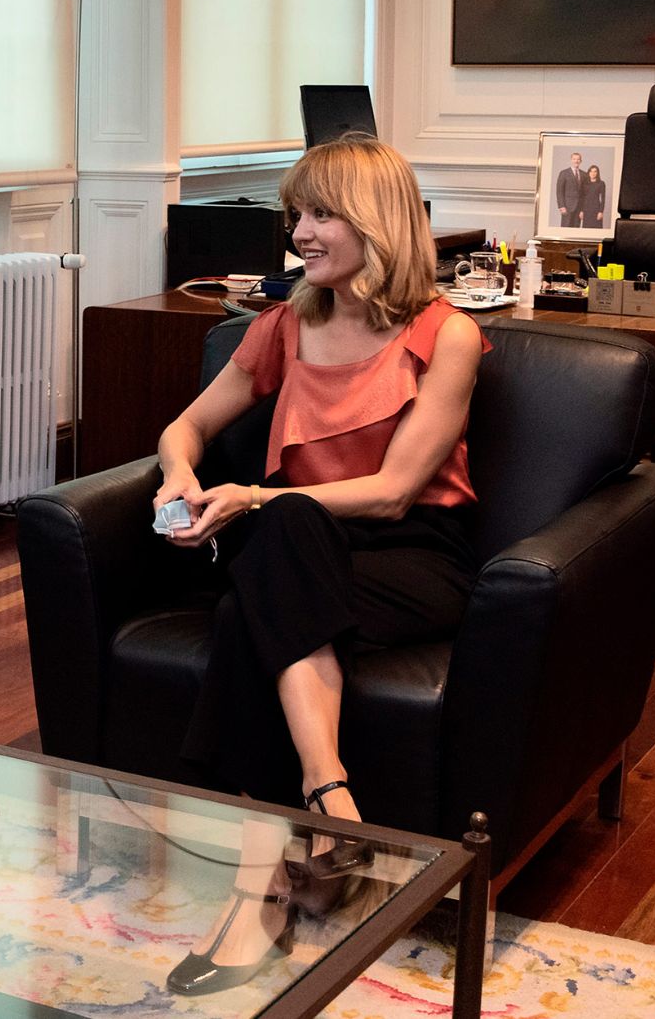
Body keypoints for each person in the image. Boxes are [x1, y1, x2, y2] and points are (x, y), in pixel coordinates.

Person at [151, 135, 486, 995]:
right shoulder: (282, 326)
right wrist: (184, 481)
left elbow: (395, 491)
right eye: (296, 212)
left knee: (264, 565)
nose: (299, 230)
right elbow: (181, 428)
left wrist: (257, 498)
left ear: (374, 222)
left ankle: (273, 874)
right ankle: (328, 816)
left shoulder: (447, 336)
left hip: (413, 555)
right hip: (300, 550)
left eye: (321, 213)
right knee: (278, 548)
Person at [555, 151, 586, 228]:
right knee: (565, 228)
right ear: (571, 160)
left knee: (576, 228)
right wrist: (561, 206)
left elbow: (584, 194)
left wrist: (583, 209)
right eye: (574, 159)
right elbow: (559, 191)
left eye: (578, 159)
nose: (576, 161)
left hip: (579, 207)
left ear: (581, 161)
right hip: (567, 207)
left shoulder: (584, 174)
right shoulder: (564, 173)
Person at [580, 163, 608, 230]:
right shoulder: (585, 184)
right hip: (586, 210)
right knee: (586, 230)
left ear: (597, 173)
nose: (593, 173)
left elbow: (603, 199)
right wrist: (581, 211)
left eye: (595, 171)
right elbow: (582, 198)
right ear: (589, 172)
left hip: (596, 210)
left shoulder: (601, 183)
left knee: (597, 229)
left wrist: (601, 212)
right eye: (591, 171)